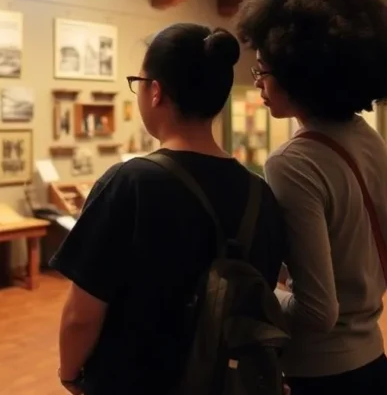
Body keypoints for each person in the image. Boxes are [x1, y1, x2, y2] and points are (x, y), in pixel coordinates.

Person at [50, 23, 285, 395]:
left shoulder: (130, 183)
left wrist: (70, 373)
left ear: (155, 92)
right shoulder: (260, 193)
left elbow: (82, 315)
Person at [236, 0, 387, 395]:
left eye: (262, 70)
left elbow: (317, 311)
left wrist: (250, 292)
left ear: (297, 74)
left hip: (321, 377)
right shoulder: (372, 143)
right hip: (376, 366)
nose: (257, 82)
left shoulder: (292, 162)